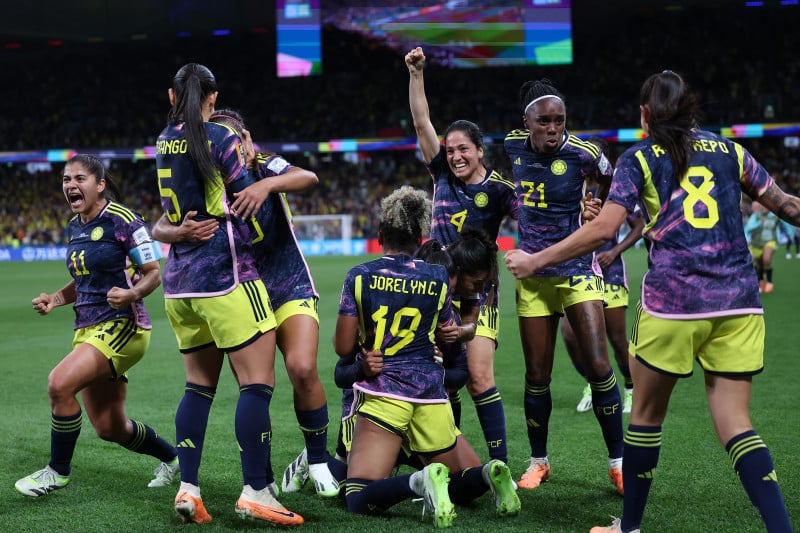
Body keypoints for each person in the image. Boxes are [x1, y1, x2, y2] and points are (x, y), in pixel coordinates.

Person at [505, 70, 794, 533]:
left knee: (644, 418)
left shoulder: (638, 158)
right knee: (737, 425)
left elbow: (603, 229)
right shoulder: (732, 151)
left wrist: (536, 260)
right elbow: (786, 205)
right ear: (690, 108)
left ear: (644, 114)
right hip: (739, 303)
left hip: (673, 304)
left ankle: (629, 527)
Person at [153, 109, 340, 498]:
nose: (231, 147)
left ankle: (317, 459)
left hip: (286, 282)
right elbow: (159, 224)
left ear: (247, 139)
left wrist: (266, 185)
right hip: (241, 287)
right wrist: (179, 231)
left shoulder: (265, 163)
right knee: (254, 385)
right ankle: (263, 476)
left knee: (302, 367)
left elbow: (308, 177)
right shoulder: (207, 175)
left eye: (236, 139)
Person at [154, 64, 302, 526]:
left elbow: (169, 214)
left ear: (172, 96)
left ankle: (189, 489)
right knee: (256, 383)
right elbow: (245, 202)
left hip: (179, 285)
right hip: (227, 276)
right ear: (213, 98)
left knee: (198, 388)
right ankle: (256, 491)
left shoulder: (163, 139)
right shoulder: (221, 137)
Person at [335, 186, 520, 527]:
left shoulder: (359, 276)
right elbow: (447, 332)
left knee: (358, 495)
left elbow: (343, 348)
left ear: (380, 235)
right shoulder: (437, 277)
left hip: (385, 392)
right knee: (463, 481)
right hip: (432, 395)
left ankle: (417, 482)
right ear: (420, 237)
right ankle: (489, 473)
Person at [15, 154, 179, 498]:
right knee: (109, 427)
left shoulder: (124, 220)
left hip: (123, 326)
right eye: (66, 179)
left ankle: (57, 472)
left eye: (79, 179)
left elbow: (153, 273)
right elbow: (84, 280)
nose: (71, 185)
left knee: (59, 383)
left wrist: (132, 293)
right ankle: (172, 458)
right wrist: (54, 299)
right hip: (87, 329)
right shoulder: (75, 226)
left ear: (100, 184)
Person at [503, 79, 624, 493]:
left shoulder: (584, 153)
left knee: (599, 366)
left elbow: (610, 177)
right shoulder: (512, 146)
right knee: (537, 375)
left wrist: (594, 202)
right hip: (533, 278)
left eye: (559, 120)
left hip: (577, 271)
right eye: (544, 121)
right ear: (527, 122)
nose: (553, 128)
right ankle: (539, 462)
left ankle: (618, 463)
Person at [406, 46, 517, 464]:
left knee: (479, 377)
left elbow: (534, 218)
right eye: (450, 150)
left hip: (479, 294)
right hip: (435, 290)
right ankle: (451, 461)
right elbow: (422, 122)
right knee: (444, 380)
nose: (455, 156)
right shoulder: (441, 175)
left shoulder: (500, 190)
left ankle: (499, 464)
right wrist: (417, 75)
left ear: (480, 150)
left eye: (463, 149)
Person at [565, 137, 644, 415]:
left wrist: (615, 251)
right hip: (578, 271)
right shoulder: (570, 186)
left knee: (616, 338)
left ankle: (631, 388)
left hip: (609, 272)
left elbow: (639, 225)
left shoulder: (616, 190)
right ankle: (593, 383)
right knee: (571, 336)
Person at [744, 199, 793, 293]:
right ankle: (761, 281)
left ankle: (770, 282)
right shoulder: (756, 216)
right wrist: (759, 223)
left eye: (766, 206)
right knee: (759, 265)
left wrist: (790, 235)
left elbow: (786, 225)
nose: (764, 207)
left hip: (770, 241)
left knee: (766, 259)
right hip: (756, 243)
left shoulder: (775, 216)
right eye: (762, 206)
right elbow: (748, 228)